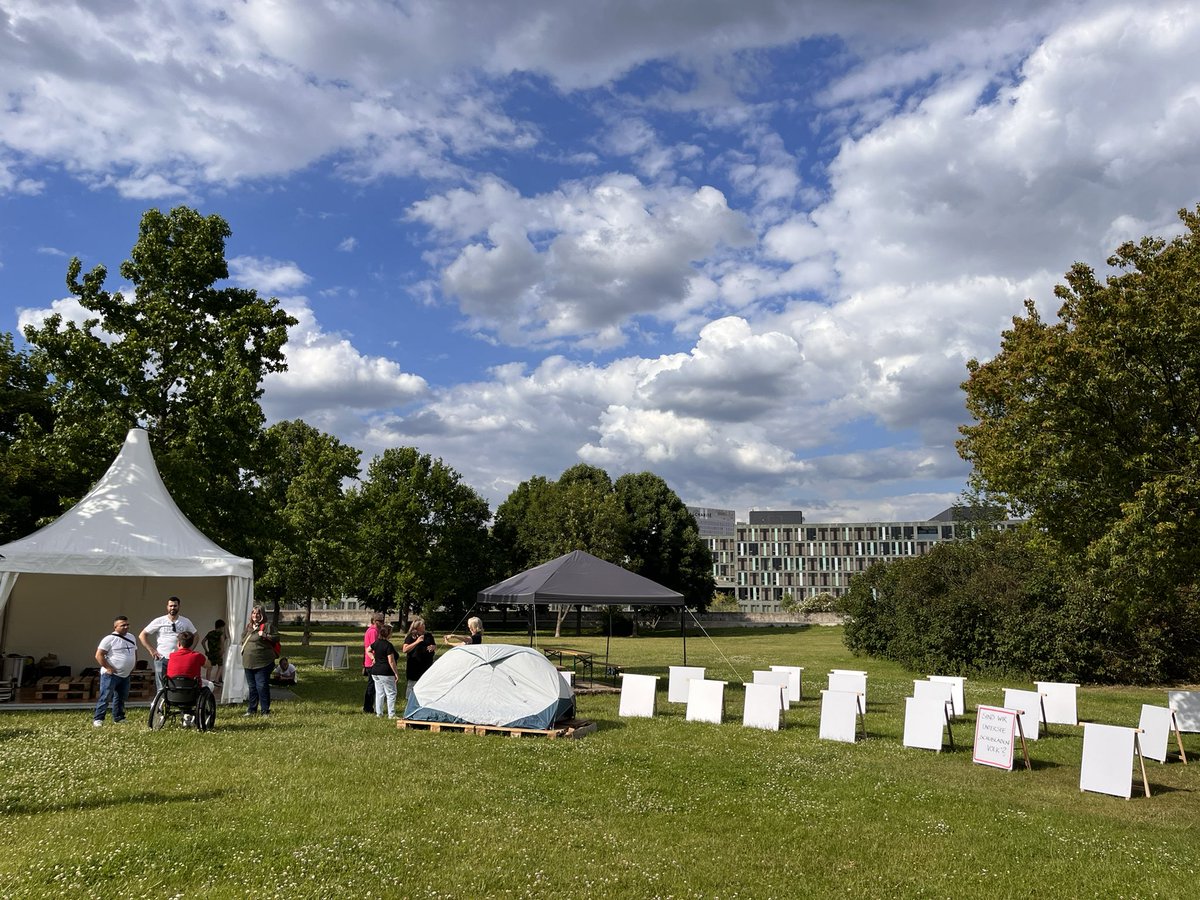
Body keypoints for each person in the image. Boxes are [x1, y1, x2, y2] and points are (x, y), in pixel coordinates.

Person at [138, 596, 197, 692]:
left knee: (176, 683)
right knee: (161, 686)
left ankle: (174, 699)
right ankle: (161, 701)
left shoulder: (185, 621)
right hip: (162, 658)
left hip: (179, 658)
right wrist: (152, 650)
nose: (173, 608)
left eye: (175, 606)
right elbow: (142, 635)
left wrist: (189, 650)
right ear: (167, 607)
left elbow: (196, 635)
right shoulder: (159, 620)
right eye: (171, 606)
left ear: (179, 606)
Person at [92, 615, 138, 727]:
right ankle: (98, 718)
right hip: (111, 675)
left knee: (121, 697)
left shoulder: (131, 637)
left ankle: (119, 717)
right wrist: (108, 668)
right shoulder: (109, 639)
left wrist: (133, 665)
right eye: (123, 625)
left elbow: (134, 652)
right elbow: (99, 655)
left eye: (127, 624)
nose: (126, 627)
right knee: (105, 696)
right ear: (115, 627)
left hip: (125, 674)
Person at [240, 605, 278, 717]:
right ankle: (252, 710)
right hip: (248, 662)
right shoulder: (249, 626)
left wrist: (265, 635)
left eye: (258, 613)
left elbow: (276, 638)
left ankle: (265, 711)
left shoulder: (267, 626)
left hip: (263, 662)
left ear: (262, 615)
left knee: (261, 686)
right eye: (253, 613)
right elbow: (243, 638)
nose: (255, 615)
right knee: (252, 687)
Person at [367, 625, 400, 718]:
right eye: (391, 632)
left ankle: (379, 713)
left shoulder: (376, 643)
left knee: (379, 693)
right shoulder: (388, 645)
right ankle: (391, 714)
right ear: (388, 633)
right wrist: (396, 673)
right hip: (386, 672)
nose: (392, 634)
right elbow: (391, 661)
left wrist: (373, 658)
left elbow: (368, 650)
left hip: (375, 672)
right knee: (391, 693)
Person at [401, 617, 436, 702]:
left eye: (424, 624)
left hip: (427, 662)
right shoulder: (411, 636)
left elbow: (434, 645)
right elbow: (405, 649)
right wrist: (417, 642)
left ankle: (424, 699)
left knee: (426, 681)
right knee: (412, 683)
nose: (424, 626)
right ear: (417, 626)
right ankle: (409, 700)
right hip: (415, 663)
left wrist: (433, 647)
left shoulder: (428, 635)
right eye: (422, 624)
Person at [362, 613, 384, 713]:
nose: (382, 623)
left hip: (371, 661)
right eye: (380, 621)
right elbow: (375, 647)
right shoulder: (373, 631)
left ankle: (369, 707)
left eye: (383, 620)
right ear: (374, 621)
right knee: (372, 686)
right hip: (372, 662)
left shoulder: (375, 630)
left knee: (373, 685)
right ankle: (368, 707)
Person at [202, 619, 229, 684]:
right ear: (221, 627)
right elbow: (222, 643)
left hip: (211, 653)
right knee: (220, 666)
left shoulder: (210, 633)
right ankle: (216, 680)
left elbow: (203, 642)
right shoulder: (221, 634)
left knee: (209, 667)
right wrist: (222, 651)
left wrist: (206, 650)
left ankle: (208, 681)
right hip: (218, 652)